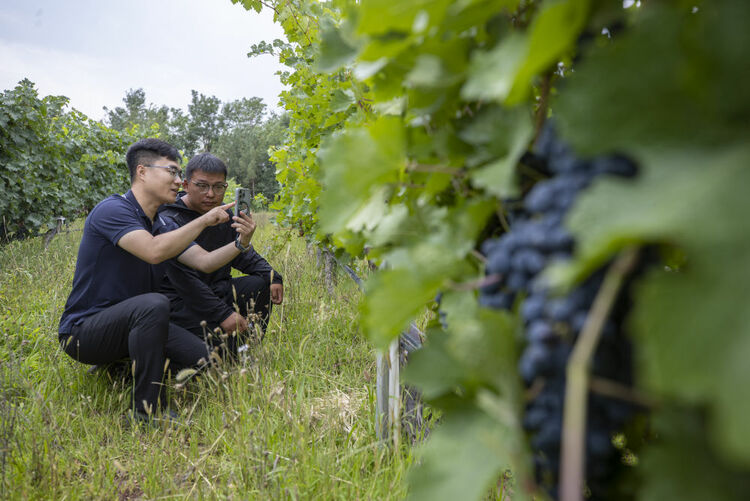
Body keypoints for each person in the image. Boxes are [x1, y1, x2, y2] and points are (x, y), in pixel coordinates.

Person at [58, 138, 256, 425]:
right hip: (84, 332)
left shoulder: (161, 223)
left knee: (205, 360)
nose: (179, 181)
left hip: (133, 326)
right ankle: (147, 412)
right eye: (172, 172)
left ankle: (120, 367)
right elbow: (153, 251)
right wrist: (202, 221)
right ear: (142, 172)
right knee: (154, 304)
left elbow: (204, 261)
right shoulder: (112, 210)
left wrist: (242, 242)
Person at [156, 152, 283, 356]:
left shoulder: (223, 216)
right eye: (202, 186)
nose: (211, 194)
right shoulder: (169, 219)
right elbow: (186, 282)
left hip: (216, 291)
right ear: (186, 185)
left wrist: (272, 275)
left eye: (218, 187)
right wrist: (223, 314)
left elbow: (241, 254)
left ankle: (246, 349)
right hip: (182, 301)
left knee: (261, 284)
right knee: (212, 358)